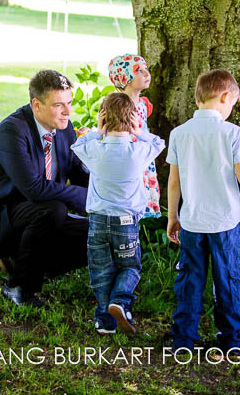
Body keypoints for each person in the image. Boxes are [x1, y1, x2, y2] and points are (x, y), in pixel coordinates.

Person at [0, 70, 90, 308]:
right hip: (3, 216)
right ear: (36, 104)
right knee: (54, 210)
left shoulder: (65, 128)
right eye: (58, 105)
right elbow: (33, 188)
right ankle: (19, 286)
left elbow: (78, 174)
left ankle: (29, 265)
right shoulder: (12, 130)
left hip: (42, 216)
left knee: (97, 234)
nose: (67, 112)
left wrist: (104, 191)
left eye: (69, 103)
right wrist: (85, 197)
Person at [166, 69, 240, 352]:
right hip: (224, 222)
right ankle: (232, 340)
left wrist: (172, 217)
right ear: (226, 97)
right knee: (227, 278)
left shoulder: (180, 133)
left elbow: (174, 180)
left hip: (191, 221)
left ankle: (184, 339)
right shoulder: (232, 133)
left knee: (189, 278)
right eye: (232, 104)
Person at [70, 91, 165, 335]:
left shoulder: (95, 150)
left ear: (103, 118)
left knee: (101, 271)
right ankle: (121, 302)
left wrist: (98, 131)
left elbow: (77, 145)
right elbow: (159, 143)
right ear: (134, 118)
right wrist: (138, 131)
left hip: (99, 223)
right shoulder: (138, 152)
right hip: (126, 223)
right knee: (130, 267)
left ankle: (104, 320)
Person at [108, 54, 162, 218]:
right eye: (139, 71)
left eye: (146, 69)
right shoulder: (117, 105)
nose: (147, 74)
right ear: (125, 78)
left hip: (143, 155)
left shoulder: (144, 104)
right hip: (128, 157)